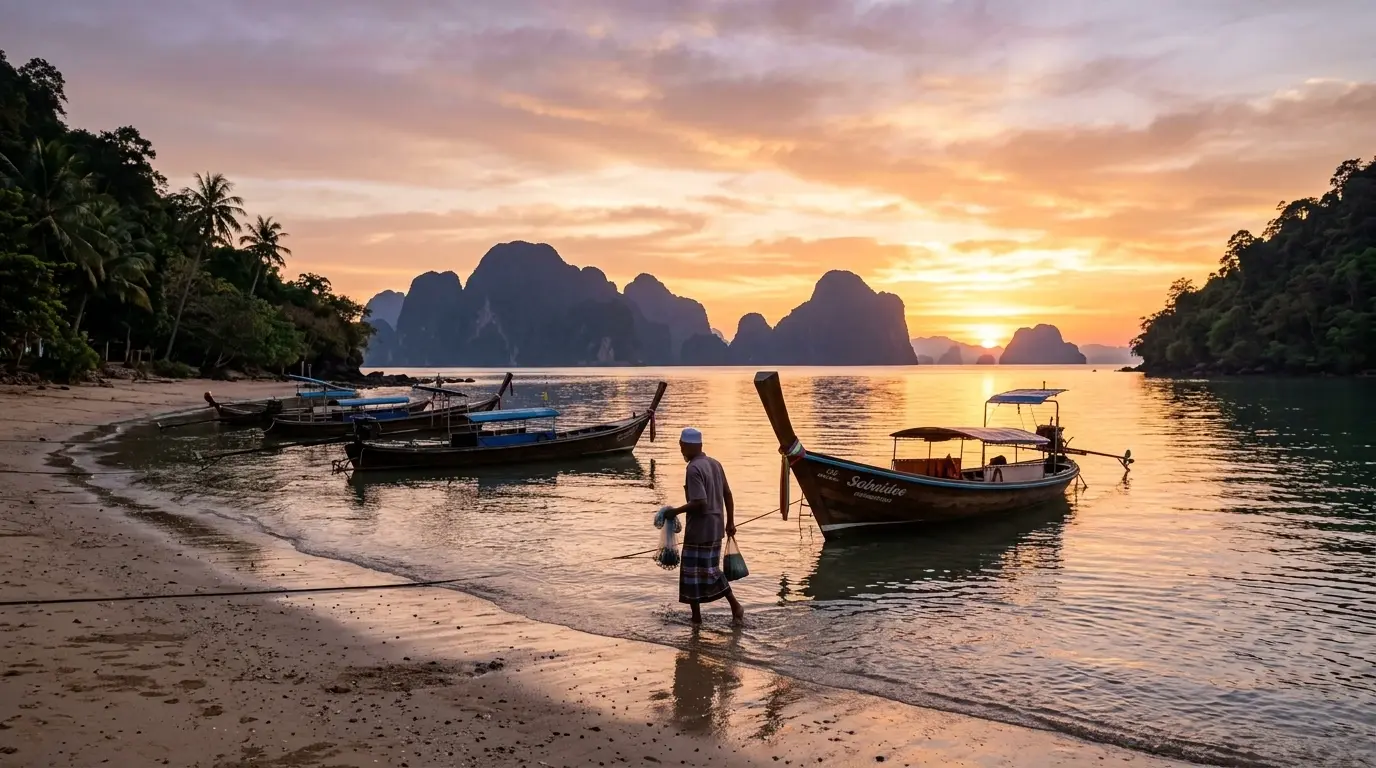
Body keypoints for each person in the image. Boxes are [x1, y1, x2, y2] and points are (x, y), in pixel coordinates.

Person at [667, 427, 744, 626]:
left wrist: (674, 511)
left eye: (682, 446)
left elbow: (700, 502)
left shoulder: (693, 468)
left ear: (692, 446)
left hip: (699, 530)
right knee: (707, 570)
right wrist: (730, 522)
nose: (681, 450)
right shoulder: (715, 464)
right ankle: (697, 617)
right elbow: (728, 494)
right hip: (716, 528)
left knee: (694, 573)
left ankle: (732, 607)